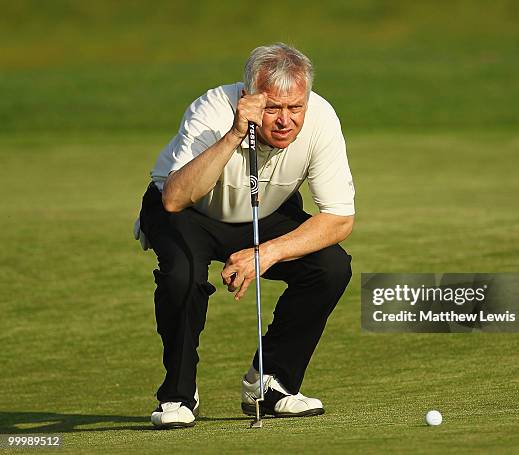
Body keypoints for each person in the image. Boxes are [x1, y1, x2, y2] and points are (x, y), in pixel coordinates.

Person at [134, 43, 355, 429]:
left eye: (295, 107)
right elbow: (173, 198)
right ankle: (178, 394)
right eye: (273, 109)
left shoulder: (322, 118)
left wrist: (265, 253)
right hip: (190, 210)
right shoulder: (212, 111)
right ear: (248, 97)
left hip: (264, 211)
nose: (286, 120)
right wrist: (236, 133)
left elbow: (339, 218)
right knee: (181, 277)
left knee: (331, 266)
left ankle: (271, 383)